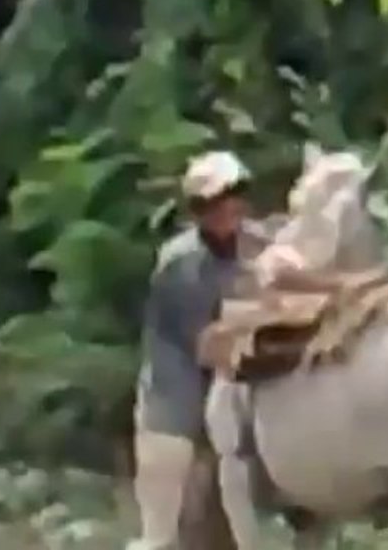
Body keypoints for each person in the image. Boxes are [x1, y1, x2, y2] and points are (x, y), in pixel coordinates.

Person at [129, 150, 253, 550]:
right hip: (173, 407)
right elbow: (206, 344)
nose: (225, 208)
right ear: (198, 211)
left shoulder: (255, 248)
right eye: (212, 202)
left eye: (232, 196)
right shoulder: (180, 262)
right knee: (162, 532)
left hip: (228, 412)